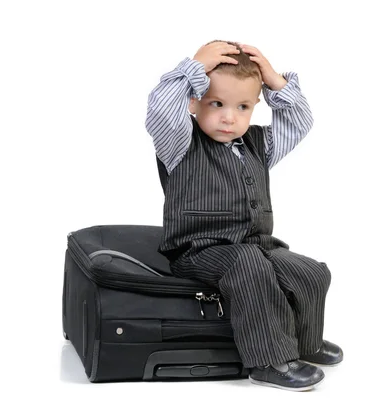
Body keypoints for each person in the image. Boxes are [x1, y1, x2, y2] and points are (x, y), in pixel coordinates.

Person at [145, 40, 343, 391]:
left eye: (242, 107)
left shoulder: (257, 145)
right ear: (193, 101)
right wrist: (192, 68)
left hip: (256, 245)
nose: (229, 117)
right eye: (216, 104)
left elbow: (299, 122)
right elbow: (161, 109)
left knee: (309, 272)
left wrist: (275, 80)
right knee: (249, 266)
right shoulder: (179, 141)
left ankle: (304, 342)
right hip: (198, 250)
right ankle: (268, 360)